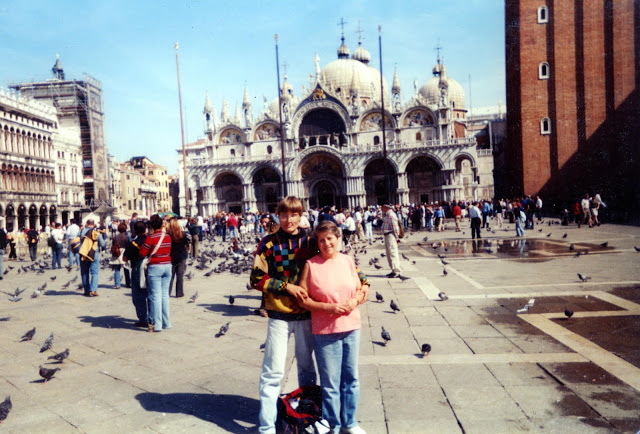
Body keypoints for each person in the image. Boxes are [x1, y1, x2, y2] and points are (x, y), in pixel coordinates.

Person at [299, 221, 366, 434]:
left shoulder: (347, 260)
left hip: (351, 326)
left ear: (338, 238)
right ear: (317, 243)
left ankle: (350, 422)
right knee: (330, 383)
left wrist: (354, 301)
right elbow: (302, 299)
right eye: (321, 240)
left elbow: (361, 289)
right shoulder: (311, 265)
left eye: (330, 238)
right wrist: (328, 307)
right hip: (325, 331)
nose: (326, 243)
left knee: (351, 379)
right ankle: (332, 425)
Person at [139, 214, 172, 332]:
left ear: (151, 226)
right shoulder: (168, 237)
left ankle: (157, 325)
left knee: (156, 296)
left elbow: (142, 253)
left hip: (155, 267)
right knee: (165, 295)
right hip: (167, 266)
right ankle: (166, 322)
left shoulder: (151, 238)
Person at [123, 221, 150, 328]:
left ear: (134, 230)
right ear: (145, 229)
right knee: (151, 294)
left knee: (138, 295)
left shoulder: (133, 243)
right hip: (150, 268)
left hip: (137, 269)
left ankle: (143, 319)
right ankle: (153, 318)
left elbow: (125, 258)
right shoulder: (150, 241)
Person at [79, 219, 106, 297]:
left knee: (84, 272)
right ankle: (93, 290)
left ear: (86, 224)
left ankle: (86, 290)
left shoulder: (81, 232)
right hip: (93, 254)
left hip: (83, 253)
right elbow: (103, 244)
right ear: (93, 224)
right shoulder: (96, 233)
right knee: (94, 272)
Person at [168, 218, 190, 298]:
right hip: (181, 256)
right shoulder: (182, 234)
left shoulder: (168, 235)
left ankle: (167, 292)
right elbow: (187, 243)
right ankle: (179, 293)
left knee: (171, 276)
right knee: (180, 275)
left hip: (171, 257)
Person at [381, 203, 402, 278]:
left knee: (393, 252)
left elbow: (395, 227)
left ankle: (396, 271)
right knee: (389, 253)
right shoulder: (387, 215)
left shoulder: (392, 215)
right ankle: (393, 270)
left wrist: (397, 238)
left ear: (386, 207)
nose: (381, 209)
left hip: (391, 236)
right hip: (387, 235)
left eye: (382, 207)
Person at [110, 223, 130, 289]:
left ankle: (117, 284)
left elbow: (113, 245)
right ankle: (128, 283)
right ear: (125, 229)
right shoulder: (126, 237)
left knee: (117, 269)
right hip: (124, 252)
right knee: (126, 268)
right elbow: (128, 246)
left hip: (117, 252)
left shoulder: (115, 237)